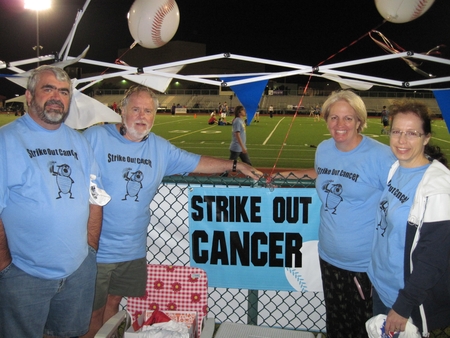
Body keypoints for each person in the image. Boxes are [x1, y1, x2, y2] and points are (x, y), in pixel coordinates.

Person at [81, 86, 262, 337]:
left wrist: (235, 164)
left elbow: (197, 161)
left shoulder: (160, 148)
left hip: (131, 249)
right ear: (121, 111)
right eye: (135, 109)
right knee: (90, 313)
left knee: (113, 303)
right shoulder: (95, 137)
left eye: (148, 111)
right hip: (95, 249)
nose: (142, 116)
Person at [0, 65, 108, 337]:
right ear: (29, 95)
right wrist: (6, 267)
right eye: (48, 89)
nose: (56, 97)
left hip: (78, 271)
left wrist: (90, 249)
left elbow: (95, 198)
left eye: (63, 92)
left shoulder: (79, 142)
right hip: (24, 274)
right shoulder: (7, 141)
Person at [277, 90, 396, 337]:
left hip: (364, 265)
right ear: (326, 119)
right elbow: (322, 173)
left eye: (348, 118)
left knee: (366, 329)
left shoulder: (380, 156)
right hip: (329, 257)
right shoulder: (324, 148)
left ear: (360, 121)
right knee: (336, 325)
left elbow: (404, 192)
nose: (340, 125)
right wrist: (283, 175)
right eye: (334, 117)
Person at [368, 100, 450, 337]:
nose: (402, 140)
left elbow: (433, 260)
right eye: (396, 131)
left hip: (406, 301)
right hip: (383, 288)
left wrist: (403, 307)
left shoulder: (437, 188)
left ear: (426, 138)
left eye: (412, 133)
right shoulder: (397, 168)